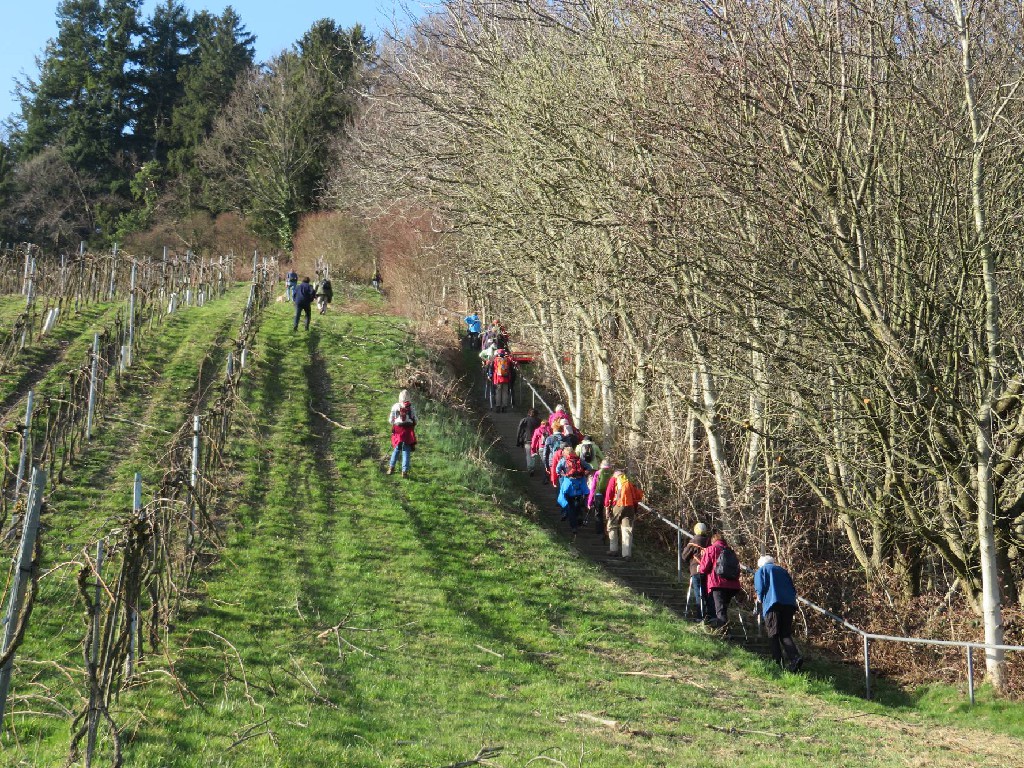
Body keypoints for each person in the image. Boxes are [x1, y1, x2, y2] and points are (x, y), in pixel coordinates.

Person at [753, 555, 804, 672]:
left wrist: (759, 598)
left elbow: (760, 588)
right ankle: (795, 658)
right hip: (789, 605)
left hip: (773, 604)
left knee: (773, 634)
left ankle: (778, 663)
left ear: (761, 564)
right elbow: (792, 588)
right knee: (785, 634)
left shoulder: (762, 571)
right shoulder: (782, 570)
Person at [699, 532, 743, 629]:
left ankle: (723, 634)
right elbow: (737, 569)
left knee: (720, 610)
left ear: (713, 541)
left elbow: (703, 568)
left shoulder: (711, 549)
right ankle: (724, 630)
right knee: (723, 609)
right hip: (732, 585)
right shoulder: (731, 551)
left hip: (718, 584)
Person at [604, 470, 643, 558]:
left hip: (619, 504)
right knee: (627, 529)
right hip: (630, 506)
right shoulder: (628, 482)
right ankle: (626, 554)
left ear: (615, 475)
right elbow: (635, 498)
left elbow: (608, 494)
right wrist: (635, 511)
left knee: (612, 525)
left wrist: (607, 507)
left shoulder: (613, 479)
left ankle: (613, 549)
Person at [556, 448, 593, 538]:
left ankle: (574, 526)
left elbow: (557, 470)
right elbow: (589, 467)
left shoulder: (564, 460)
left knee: (570, 507)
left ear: (565, 453)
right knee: (577, 504)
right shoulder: (579, 460)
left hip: (569, 486)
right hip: (580, 486)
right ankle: (578, 518)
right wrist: (584, 473)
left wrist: (563, 474)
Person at [681, 522, 711, 620]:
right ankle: (708, 615)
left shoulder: (693, 542)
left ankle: (700, 616)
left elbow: (684, 556)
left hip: (696, 570)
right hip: (707, 571)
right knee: (706, 593)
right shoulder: (709, 542)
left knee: (698, 593)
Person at [387, 389, 417, 478]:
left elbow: (390, 420)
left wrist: (396, 423)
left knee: (396, 449)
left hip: (398, 431)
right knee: (406, 451)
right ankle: (404, 471)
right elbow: (415, 420)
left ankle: (391, 468)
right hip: (407, 432)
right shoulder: (411, 408)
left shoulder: (395, 406)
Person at [587, 459, 614, 536]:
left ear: (601, 465)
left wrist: (590, 501)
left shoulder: (597, 473)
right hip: (608, 496)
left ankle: (599, 531)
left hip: (598, 495)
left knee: (598, 513)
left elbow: (593, 488)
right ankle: (608, 531)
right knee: (608, 513)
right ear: (609, 466)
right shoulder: (611, 474)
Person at [517, 408, 542, 475]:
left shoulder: (524, 420)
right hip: (537, 440)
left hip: (527, 440)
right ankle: (532, 467)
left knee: (528, 455)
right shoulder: (539, 421)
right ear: (536, 414)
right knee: (534, 454)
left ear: (529, 413)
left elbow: (519, 431)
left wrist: (518, 440)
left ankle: (530, 468)